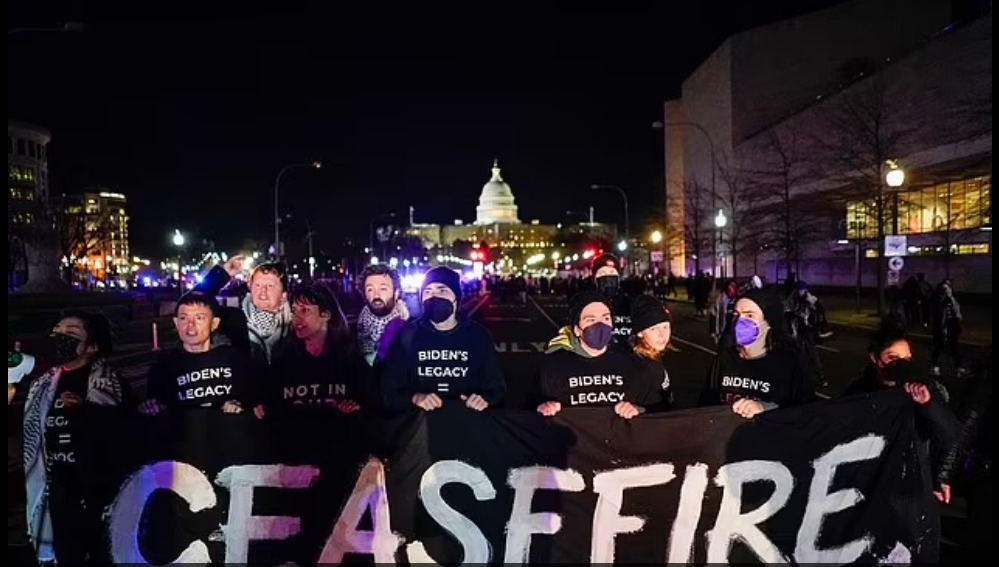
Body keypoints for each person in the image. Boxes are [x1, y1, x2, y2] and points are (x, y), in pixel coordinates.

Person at [23, 312, 131, 565]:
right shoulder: (42, 385)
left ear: (92, 346)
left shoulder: (107, 382)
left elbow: (121, 431)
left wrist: (86, 411)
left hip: (99, 491)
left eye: (70, 334)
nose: (60, 338)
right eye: (57, 332)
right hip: (59, 489)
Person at [841, 317, 960, 505]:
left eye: (906, 359)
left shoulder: (924, 389)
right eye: (893, 358)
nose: (900, 366)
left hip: (910, 487)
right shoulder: (858, 391)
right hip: (869, 487)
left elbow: (950, 434)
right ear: (875, 358)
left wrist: (927, 405)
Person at [380, 266, 506, 413]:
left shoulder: (477, 336)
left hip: (466, 426)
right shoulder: (406, 336)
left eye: (442, 290)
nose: (434, 297)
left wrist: (484, 399)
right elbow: (388, 392)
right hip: (421, 430)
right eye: (427, 292)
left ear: (456, 298)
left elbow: (497, 388)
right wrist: (415, 398)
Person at [535, 291, 660, 419]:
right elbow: (526, 410)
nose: (600, 325)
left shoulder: (633, 365)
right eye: (591, 320)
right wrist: (542, 408)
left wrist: (638, 410)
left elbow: (656, 410)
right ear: (577, 329)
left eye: (606, 318)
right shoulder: (553, 366)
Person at [141, 292, 261, 416]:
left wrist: (241, 404)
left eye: (200, 318)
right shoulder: (163, 367)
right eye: (184, 318)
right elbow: (153, 406)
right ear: (176, 323)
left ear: (214, 323)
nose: (190, 325)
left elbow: (255, 400)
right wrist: (151, 407)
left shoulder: (237, 361)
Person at [698, 287, 812, 418]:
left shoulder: (788, 365)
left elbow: (804, 414)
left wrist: (766, 408)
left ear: (769, 322)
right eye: (736, 314)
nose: (740, 321)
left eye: (750, 315)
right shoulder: (724, 359)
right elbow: (706, 406)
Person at [267, 284, 371, 414]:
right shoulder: (283, 356)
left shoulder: (350, 358)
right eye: (294, 311)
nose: (296, 318)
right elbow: (271, 404)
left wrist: (356, 408)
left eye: (305, 310)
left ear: (326, 315)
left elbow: (369, 402)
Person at [196, 256, 292, 364]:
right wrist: (222, 274)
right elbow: (194, 304)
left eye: (270, 286)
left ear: (283, 295)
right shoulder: (232, 319)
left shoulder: (297, 325)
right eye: (258, 285)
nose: (263, 291)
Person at [356, 264, 410, 368]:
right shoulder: (354, 331)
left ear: (396, 293)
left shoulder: (410, 327)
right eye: (370, 290)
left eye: (383, 289)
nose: (376, 295)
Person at [628, 295, 675, 412]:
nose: (662, 334)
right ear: (640, 333)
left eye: (665, 327)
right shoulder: (639, 367)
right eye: (653, 329)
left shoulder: (653, 356)